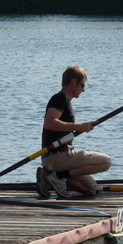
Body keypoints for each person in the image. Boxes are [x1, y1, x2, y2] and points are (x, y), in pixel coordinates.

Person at [36, 65, 111, 198]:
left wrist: (79, 126)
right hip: (59, 156)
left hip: (57, 158)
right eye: (82, 85)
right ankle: (58, 176)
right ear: (74, 82)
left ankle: (53, 177)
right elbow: (49, 123)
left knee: (91, 189)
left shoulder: (64, 100)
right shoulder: (60, 98)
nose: (83, 90)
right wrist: (79, 126)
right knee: (106, 162)